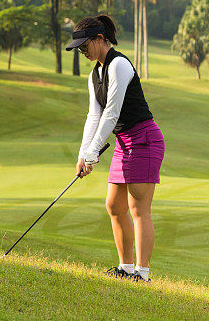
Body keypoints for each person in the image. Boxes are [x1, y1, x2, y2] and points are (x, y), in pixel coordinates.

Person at [65, 14, 165, 283]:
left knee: (138, 207)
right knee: (114, 205)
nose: (82, 52)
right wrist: (83, 153)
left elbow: (111, 113)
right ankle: (126, 268)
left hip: (144, 139)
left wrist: (94, 153)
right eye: (79, 48)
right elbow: (93, 116)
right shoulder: (95, 74)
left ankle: (142, 273)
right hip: (124, 141)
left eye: (85, 45)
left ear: (100, 39)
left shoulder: (119, 65)